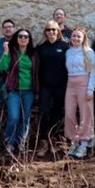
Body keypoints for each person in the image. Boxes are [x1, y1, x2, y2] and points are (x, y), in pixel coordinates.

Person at [0, 28, 39, 156]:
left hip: (29, 91)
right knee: (13, 117)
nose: (23, 38)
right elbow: (1, 68)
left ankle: (21, 142)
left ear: (29, 39)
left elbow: (37, 72)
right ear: (16, 38)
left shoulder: (33, 54)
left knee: (25, 118)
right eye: (20, 36)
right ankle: (10, 143)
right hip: (14, 90)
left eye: (26, 36)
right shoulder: (12, 53)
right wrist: (5, 52)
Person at [35, 20, 70, 157]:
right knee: (43, 112)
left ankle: (53, 140)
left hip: (60, 86)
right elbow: (36, 68)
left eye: (54, 30)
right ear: (45, 32)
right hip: (45, 86)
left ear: (58, 31)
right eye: (48, 30)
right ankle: (43, 141)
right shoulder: (40, 47)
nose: (51, 32)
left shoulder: (65, 46)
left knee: (57, 112)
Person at [64, 28, 95, 159]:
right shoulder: (68, 52)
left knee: (86, 113)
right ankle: (74, 140)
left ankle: (84, 142)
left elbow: (93, 72)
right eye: (74, 36)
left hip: (84, 83)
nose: (76, 39)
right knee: (69, 113)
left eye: (79, 37)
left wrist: (90, 89)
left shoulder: (88, 52)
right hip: (70, 83)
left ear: (83, 38)